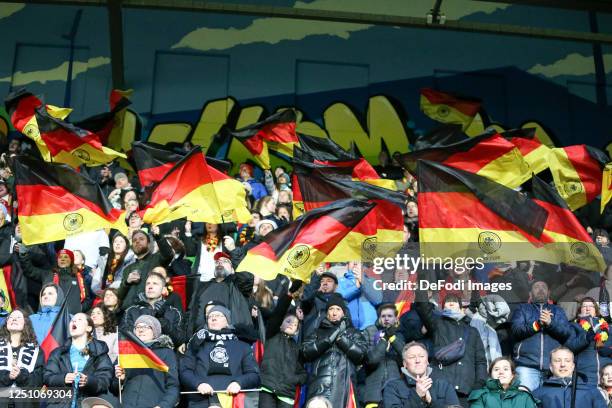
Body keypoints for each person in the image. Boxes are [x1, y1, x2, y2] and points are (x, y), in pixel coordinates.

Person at [414, 289, 487, 403]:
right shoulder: (437, 323)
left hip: (466, 390)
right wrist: (423, 280)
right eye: (447, 302)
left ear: (461, 307)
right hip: (441, 389)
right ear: (443, 308)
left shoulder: (472, 331)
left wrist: (479, 384)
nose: (451, 303)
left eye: (455, 301)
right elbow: (423, 308)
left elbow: (481, 360)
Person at [180, 305, 260, 408]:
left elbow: (254, 375)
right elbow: (184, 371)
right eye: (210, 316)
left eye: (218, 315)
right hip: (201, 401)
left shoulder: (242, 346)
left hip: (233, 401)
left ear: (227, 321)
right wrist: (198, 384)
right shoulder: (196, 344)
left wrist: (239, 383)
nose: (213, 318)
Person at [301, 294, 367, 407]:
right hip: (319, 385)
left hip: (344, 385)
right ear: (326, 312)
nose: (334, 312)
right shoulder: (317, 332)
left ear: (343, 312)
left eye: (338, 309)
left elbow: (362, 355)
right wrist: (330, 337)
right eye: (331, 309)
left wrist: (341, 338)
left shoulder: (353, 333)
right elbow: (306, 352)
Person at [511, 280, 572, 391]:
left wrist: (550, 324)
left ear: (549, 293)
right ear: (530, 294)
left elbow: (566, 333)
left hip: (554, 368)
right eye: (536, 287)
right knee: (525, 402)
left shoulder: (558, 310)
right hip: (527, 367)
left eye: (544, 287)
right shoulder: (522, 309)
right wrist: (537, 325)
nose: (540, 289)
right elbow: (516, 331)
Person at [43, 313, 114, 408]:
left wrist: (89, 381)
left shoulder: (99, 351)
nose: (74, 321)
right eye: (72, 320)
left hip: (87, 402)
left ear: (88, 328)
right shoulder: (58, 352)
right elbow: (47, 377)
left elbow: (105, 380)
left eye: (79, 319)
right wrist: (63, 378)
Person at [113, 315, 179, 408]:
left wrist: (162, 406)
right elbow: (113, 388)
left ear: (155, 331)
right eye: (138, 327)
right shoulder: (127, 352)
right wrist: (120, 379)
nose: (140, 330)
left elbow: (173, 386)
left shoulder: (166, 353)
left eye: (146, 327)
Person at [258, 290, 308, 408]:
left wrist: (293, 379)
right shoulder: (272, 334)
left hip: (286, 394)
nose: (291, 324)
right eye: (288, 321)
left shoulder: (297, 348)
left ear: (296, 331)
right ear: (281, 324)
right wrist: (289, 295)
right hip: (267, 389)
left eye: (295, 324)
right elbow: (279, 313)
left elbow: (303, 374)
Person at [188, 252, 254, 335]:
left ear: (233, 270)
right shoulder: (202, 287)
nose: (220, 262)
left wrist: (234, 250)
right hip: (203, 338)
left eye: (225, 261)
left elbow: (247, 277)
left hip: (234, 337)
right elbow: (192, 313)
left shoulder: (238, 285)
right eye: (217, 262)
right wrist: (187, 338)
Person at [382, 341, 459, 407]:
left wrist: (431, 403)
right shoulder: (393, 387)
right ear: (405, 364)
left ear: (427, 361)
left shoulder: (444, 385)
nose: (417, 360)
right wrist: (417, 396)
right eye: (412, 357)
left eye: (421, 356)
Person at [18, 247, 91, 314]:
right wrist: (23, 255)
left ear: (71, 260)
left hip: (71, 318)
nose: (63, 259)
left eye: (66, 257)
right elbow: (29, 270)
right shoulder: (48, 274)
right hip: (47, 317)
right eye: (60, 257)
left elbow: (88, 300)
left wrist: (78, 309)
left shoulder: (79, 278)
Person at [121, 271, 186, 347]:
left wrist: (164, 324)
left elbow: (180, 340)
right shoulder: (131, 310)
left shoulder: (174, 312)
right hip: (137, 355)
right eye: (148, 283)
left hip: (162, 357)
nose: (150, 286)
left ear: (163, 290)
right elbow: (123, 336)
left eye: (155, 283)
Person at [117, 228, 174, 310]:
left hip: (148, 310)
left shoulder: (157, 259)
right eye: (134, 240)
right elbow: (120, 295)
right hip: (127, 311)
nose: (137, 241)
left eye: (141, 239)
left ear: (148, 243)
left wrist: (158, 237)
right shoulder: (128, 268)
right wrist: (127, 282)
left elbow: (168, 254)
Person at [362, 303, 406, 408]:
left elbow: (405, 357)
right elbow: (371, 360)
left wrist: (393, 338)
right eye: (383, 316)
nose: (386, 319)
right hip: (373, 391)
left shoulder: (400, 335)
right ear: (379, 318)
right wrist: (385, 339)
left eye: (390, 316)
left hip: (394, 390)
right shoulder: (369, 331)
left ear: (396, 319)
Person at [533, 346, 607, 408]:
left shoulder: (591, 391)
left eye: (567, 361)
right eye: (557, 361)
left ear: (573, 366)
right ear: (551, 367)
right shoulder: (538, 394)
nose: (562, 364)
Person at [0, 309, 44, 408]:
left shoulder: (37, 351)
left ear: (26, 323)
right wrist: (7, 376)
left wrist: (20, 375)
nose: (14, 319)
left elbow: (38, 381)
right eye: (11, 317)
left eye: (18, 317)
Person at [566, 297, 612, 386]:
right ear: (579, 310)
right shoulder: (573, 326)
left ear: (596, 310)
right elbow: (569, 347)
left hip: (607, 375)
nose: (587, 308)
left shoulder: (608, 327)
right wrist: (586, 338)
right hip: (584, 375)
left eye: (591, 306)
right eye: (584, 306)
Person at [467, 356, 539, 407]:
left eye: (505, 369)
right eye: (496, 369)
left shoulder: (525, 397)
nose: (501, 372)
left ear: (512, 375)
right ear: (491, 375)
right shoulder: (481, 396)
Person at [301, 266, 345, 338]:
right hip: (310, 341)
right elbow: (306, 297)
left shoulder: (342, 303)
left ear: (336, 286)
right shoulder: (312, 299)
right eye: (322, 281)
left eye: (329, 281)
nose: (325, 283)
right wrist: (316, 276)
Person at [337, 261, 382, 330]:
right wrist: (356, 287)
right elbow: (339, 297)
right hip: (348, 328)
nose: (355, 262)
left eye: (358, 261)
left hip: (370, 327)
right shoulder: (340, 281)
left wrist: (363, 282)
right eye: (352, 261)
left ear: (363, 267)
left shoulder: (372, 281)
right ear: (347, 265)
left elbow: (378, 300)